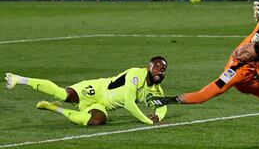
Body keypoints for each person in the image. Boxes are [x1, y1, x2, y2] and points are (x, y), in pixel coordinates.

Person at [5, 56, 168, 126]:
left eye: (162, 69)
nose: (159, 71)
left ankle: (54, 108)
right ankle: (19, 79)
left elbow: (163, 104)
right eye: (156, 67)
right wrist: (148, 121)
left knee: (97, 121)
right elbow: (129, 103)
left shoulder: (156, 90)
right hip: (97, 89)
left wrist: (158, 115)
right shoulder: (135, 74)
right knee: (64, 94)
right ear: (149, 67)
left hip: (102, 105)